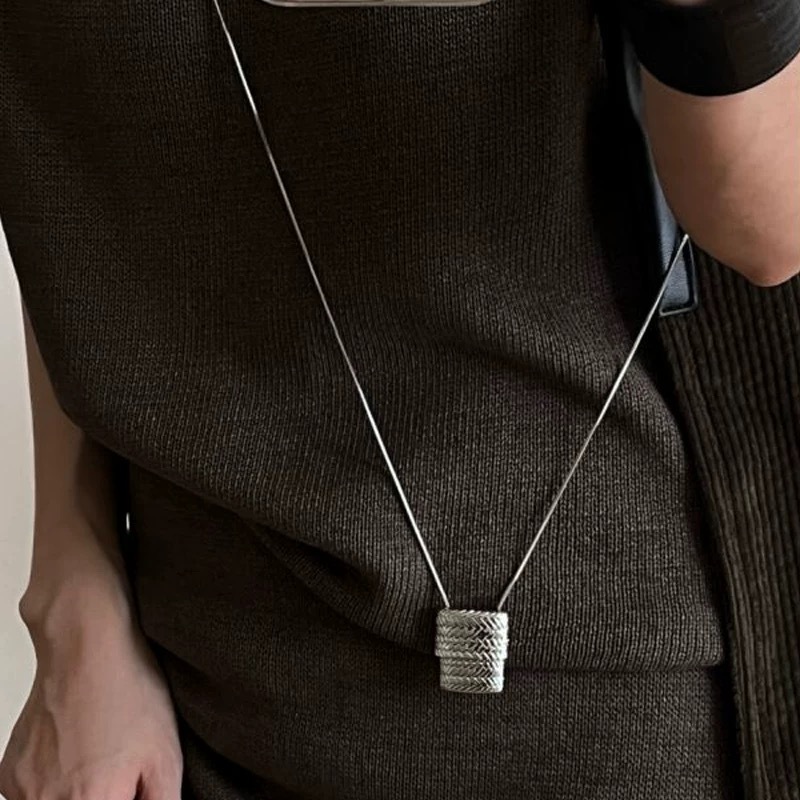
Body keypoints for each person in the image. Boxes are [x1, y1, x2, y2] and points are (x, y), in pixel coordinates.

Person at [0, 0, 798, 798]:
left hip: (630, 690)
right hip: (196, 697)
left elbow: (772, 226)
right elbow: (72, 163)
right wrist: (75, 584)